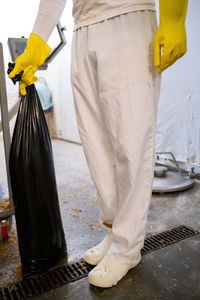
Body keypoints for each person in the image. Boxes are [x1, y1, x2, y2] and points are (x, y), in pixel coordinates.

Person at [8, 0, 188, 288]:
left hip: (128, 17)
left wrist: (175, 15)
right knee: (97, 143)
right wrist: (37, 41)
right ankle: (115, 229)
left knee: (131, 141)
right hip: (83, 26)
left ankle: (127, 247)